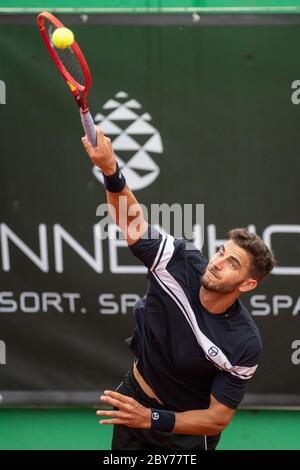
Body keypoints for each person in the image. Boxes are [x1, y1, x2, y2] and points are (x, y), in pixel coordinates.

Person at [82, 128, 276, 451]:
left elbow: (217, 418)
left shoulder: (243, 341)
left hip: (183, 434)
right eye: (221, 252)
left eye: (232, 264)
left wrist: (152, 418)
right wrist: (110, 169)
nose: (217, 262)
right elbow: (132, 224)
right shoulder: (181, 261)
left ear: (248, 284)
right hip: (134, 404)